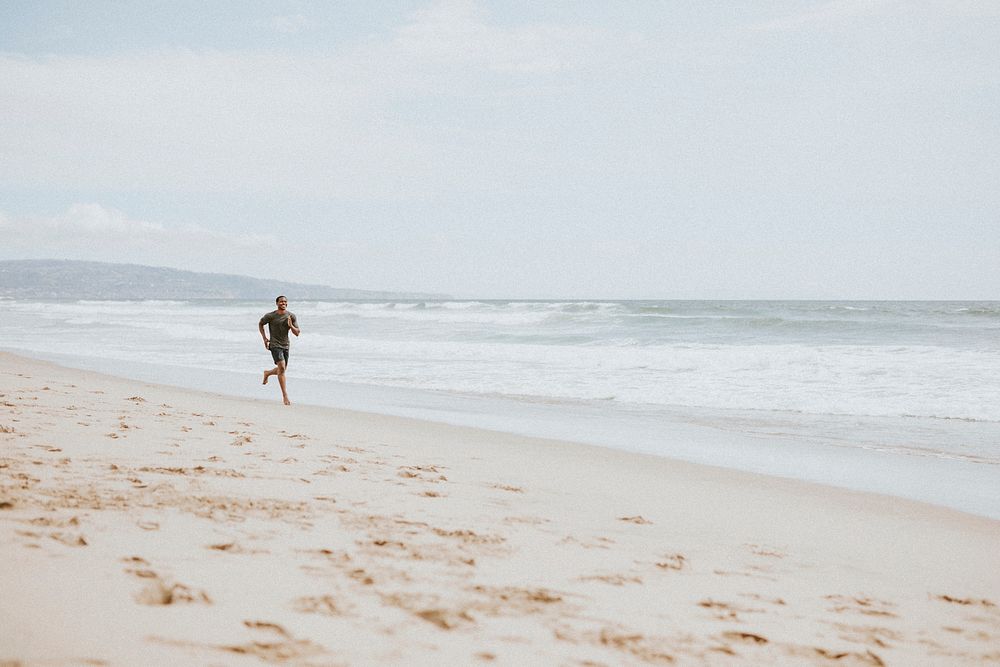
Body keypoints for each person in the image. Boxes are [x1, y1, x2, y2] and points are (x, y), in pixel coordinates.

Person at [259, 295, 300, 405]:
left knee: (281, 370)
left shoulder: (291, 316)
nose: (283, 303)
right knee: (281, 367)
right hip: (274, 344)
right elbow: (261, 323)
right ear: (277, 303)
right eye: (281, 302)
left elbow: (297, 333)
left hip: (286, 345)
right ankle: (285, 396)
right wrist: (264, 338)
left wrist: (291, 326)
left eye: (285, 302)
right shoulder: (271, 316)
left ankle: (267, 373)